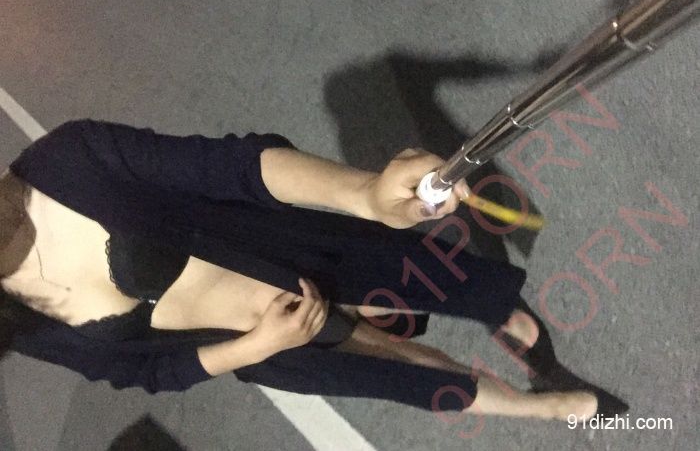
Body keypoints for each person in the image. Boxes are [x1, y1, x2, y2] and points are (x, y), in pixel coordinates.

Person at [0, 118, 621, 422]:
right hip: (275, 346)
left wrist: (364, 194)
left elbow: (228, 167)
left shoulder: (66, 161)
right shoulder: (21, 325)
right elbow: (140, 370)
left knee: (441, 279)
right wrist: (256, 347)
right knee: (411, 374)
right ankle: (536, 408)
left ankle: (500, 312)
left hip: (298, 252)